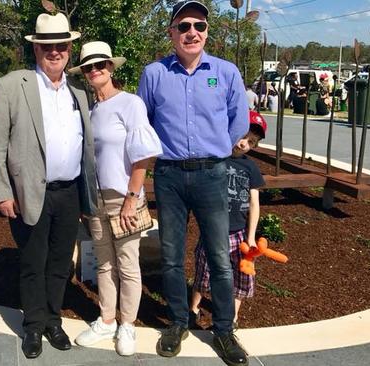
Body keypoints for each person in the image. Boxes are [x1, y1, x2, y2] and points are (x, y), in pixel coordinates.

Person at [136, 1, 249, 364]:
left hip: (212, 174)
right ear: (171, 32)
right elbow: (144, 122)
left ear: (206, 31)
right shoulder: (154, 74)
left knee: (219, 255)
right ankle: (178, 321)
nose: (192, 32)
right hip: (169, 176)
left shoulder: (226, 72)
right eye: (183, 25)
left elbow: (239, 121)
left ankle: (223, 330)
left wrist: (216, 150)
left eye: (199, 25)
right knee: (171, 256)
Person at [0, 13, 99, 359]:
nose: (55, 51)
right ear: (36, 49)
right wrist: (2, 192)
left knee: (60, 263)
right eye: (48, 45)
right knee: (33, 263)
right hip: (28, 193)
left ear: (69, 49)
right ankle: (33, 326)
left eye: (61, 45)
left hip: (69, 192)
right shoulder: (11, 85)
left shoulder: (78, 91)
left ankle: (54, 320)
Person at [68, 41, 162, 356]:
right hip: (95, 199)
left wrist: (131, 199)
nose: (95, 71)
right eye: (89, 67)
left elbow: (142, 157)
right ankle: (107, 318)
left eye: (101, 65)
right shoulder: (90, 110)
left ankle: (128, 324)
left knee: (128, 263)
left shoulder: (130, 104)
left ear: (111, 68)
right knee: (104, 263)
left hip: (124, 197)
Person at [190, 110, 267, 329]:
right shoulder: (215, 158)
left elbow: (254, 203)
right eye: (243, 136)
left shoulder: (250, 167)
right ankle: (193, 309)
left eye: (251, 142)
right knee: (204, 271)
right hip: (213, 229)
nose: (244, 144)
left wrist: (251, 237)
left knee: (242, 274)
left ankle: (231, 317)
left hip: (239, 233)